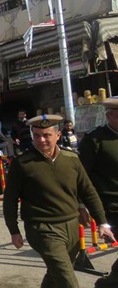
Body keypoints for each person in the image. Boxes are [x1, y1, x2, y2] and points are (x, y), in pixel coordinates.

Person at [3, 114, 114, 288]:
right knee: (67, 279)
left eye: (47, 135)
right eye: (37, 135)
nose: (41, 140)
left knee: (57, 274)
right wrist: (13, 229)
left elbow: (88, 191)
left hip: (71, 226)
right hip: (42, 228)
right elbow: (9, 200)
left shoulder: (71, 159)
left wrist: (102, 222)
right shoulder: (22, 164)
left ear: (58, 135)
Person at [78, 97, 118, 287]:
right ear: (109, 116)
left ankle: (110, 282)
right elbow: (81, 176)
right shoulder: (94, 139)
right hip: (111, 204)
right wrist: (80, 205)